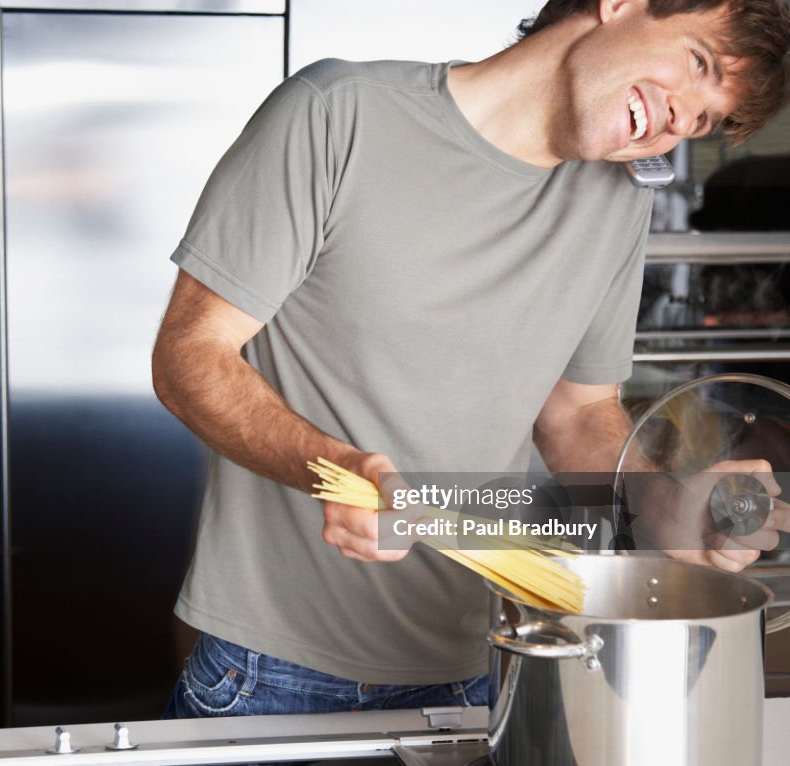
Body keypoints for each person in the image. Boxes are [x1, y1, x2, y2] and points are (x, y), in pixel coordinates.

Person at [152, 0, 790, 718]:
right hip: (270, 672)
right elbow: (189, 354)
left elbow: (577, 413)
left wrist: (663, 497)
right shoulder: (338, 114)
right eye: (699, 64)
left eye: (704, 120)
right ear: (620, 6)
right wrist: (330, 469)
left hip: (478, 665)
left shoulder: (617, 198)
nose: (682, 122)